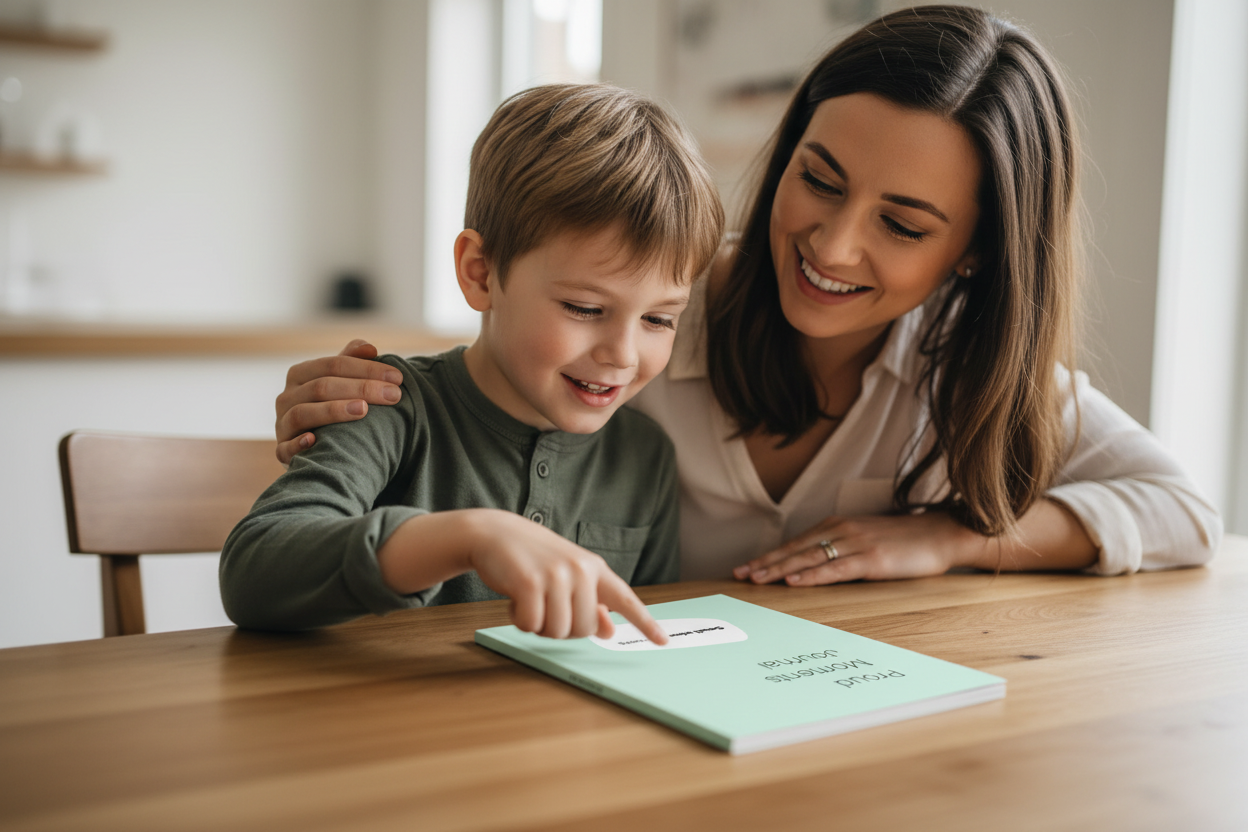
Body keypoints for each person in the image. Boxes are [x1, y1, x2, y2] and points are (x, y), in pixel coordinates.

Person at [270, 6, 1220, 590]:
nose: (832, 245)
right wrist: (378, 403)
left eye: (903, 225)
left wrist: (949, 542)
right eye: (820, 177)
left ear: (974, 258)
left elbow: (1183, 511)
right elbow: (499, 371)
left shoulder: (966, 366)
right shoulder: (655, 305)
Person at [220, 83, 724, 640]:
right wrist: (468, 537)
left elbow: (647, 638)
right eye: (584, 308)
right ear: (480, 272)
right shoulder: (387, 406)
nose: (623, 355)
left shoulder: (644, 457)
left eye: (659, 319)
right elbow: (252, 572)